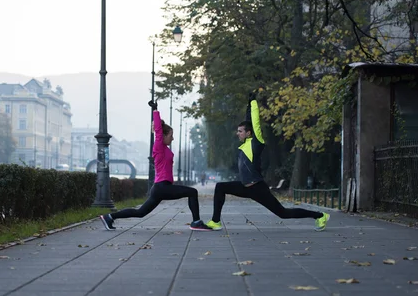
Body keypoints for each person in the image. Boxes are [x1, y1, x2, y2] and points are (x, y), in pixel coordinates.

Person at [205, 92, 330, 231]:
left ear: (248, 133)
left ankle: (320, 216)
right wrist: (248, 105)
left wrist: (253, 103)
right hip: (245, 187)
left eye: (240, 131)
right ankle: (215, 221)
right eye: (238, 131)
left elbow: (255, 122)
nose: (237, 133)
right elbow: (249, 121)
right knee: (220, 187)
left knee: (283, 213)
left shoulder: (256, 142)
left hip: (257, 188)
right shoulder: (245, 144)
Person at [100, 100, 211, 231]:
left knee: (140, 213)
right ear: (163, 136)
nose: (173, 138)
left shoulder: (165, 149)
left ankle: (109, 217)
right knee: (192, 192)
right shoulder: (158, 147)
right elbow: (158, 130)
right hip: (161, 187)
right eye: (171, 135)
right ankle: (196, 222)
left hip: (161, 187)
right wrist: (155, 111)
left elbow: (161, 133)